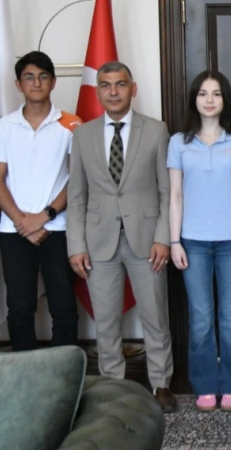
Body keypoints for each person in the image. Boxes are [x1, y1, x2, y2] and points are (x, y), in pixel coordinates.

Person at [68, 62, 176, 413]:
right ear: (98, 90)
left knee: (155, 315)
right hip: (98, 241)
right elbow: (77, 196)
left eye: (120, 84)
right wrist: (76, 245)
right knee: (105, 320)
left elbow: (166, 191)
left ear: (133, 88)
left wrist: (163, 237)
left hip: (147, 240)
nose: (113, 92)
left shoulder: (156, 131)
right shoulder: (82, 135)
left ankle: (161, 383)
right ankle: (113, 385)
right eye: (105, 85)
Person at [168, 70, 231, 412]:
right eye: (203, 93)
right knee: (201, 317)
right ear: (194, 99)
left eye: (216, 94)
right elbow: (175, 196)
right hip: (192, 242)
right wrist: (174, 241)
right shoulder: (179, 143)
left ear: (225, 100)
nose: (209, 100)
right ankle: (205, 385)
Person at [0, 51, 80, 352]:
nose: (36, 83)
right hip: (14, 231)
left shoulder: (72, 124)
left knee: (63, 306)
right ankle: (26, 372)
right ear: (18, 84)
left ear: (53, 82)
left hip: (58, 228)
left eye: (43, 76)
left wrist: (44, 216)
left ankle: (64, 371)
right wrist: (22, 222)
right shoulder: (5, 126)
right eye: (29, 77)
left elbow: (78, 180)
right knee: (19, 307)